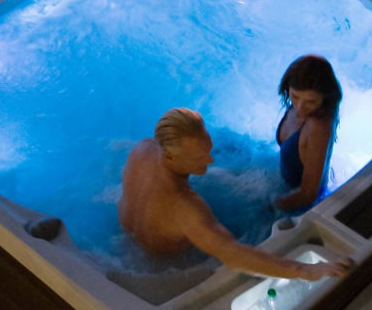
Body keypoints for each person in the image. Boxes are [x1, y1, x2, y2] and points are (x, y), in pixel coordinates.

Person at [119, 108, 350, 281]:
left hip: (124, 243)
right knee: (262, 216)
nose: (209, 161)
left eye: (207, 151)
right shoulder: (185, 208)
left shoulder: (143, 149)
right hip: (162, 267)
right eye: (199, 158)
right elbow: (233, 256)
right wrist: (306, 270)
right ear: (170, 157)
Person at [274, 55, 342, 212]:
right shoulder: (295, 106)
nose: (299, 108)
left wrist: (271, 206)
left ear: (324, 98)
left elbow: (309, 194)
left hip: (304, 208)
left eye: (310, 101)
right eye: (295, 97)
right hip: (285, 188)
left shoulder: (319, 125)